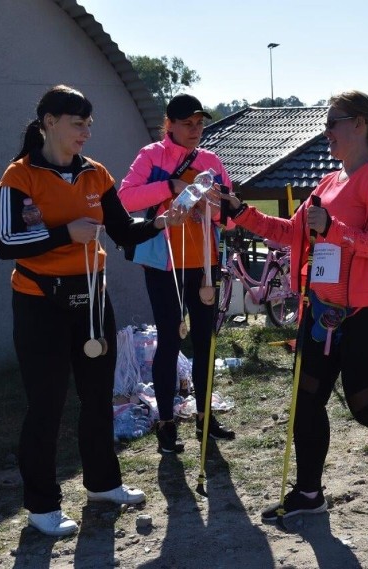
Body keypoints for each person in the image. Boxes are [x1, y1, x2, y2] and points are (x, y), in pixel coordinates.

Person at [223, 90, 368, 521]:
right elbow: (293, 232)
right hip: (321, 309)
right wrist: (241, 213)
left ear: (361, 125)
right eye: (327, 123)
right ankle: (309, 493)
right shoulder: (328, 182)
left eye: (333, 122)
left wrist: (333, 229)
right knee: (306, 400)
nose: (326, 131)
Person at [0, 85, 184, 537]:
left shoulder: (96, 174)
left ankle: (103, 483)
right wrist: (65, 235)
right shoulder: (18, 177)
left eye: (89, 125)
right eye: (78, 124)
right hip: (40, 302)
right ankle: (42, 505)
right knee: (47, 404)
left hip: (93, 299)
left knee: (98, 398)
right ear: (49, 122)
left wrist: (159, 222)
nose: (86, 133)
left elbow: (120, 230)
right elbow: (4, 242)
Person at [119, 94, 235, 454]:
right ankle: (166, 423)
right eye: (188, 123)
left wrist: (215, 203)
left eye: (200, 123)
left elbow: (227, 215)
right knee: (170, 339)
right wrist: (171, 187)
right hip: (162, 261)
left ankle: (204, 416)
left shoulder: (211, 161)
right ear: (169, 124)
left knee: (205, 341)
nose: (195, 130)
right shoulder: (151, 156)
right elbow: (125, 199)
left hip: (203, 262)